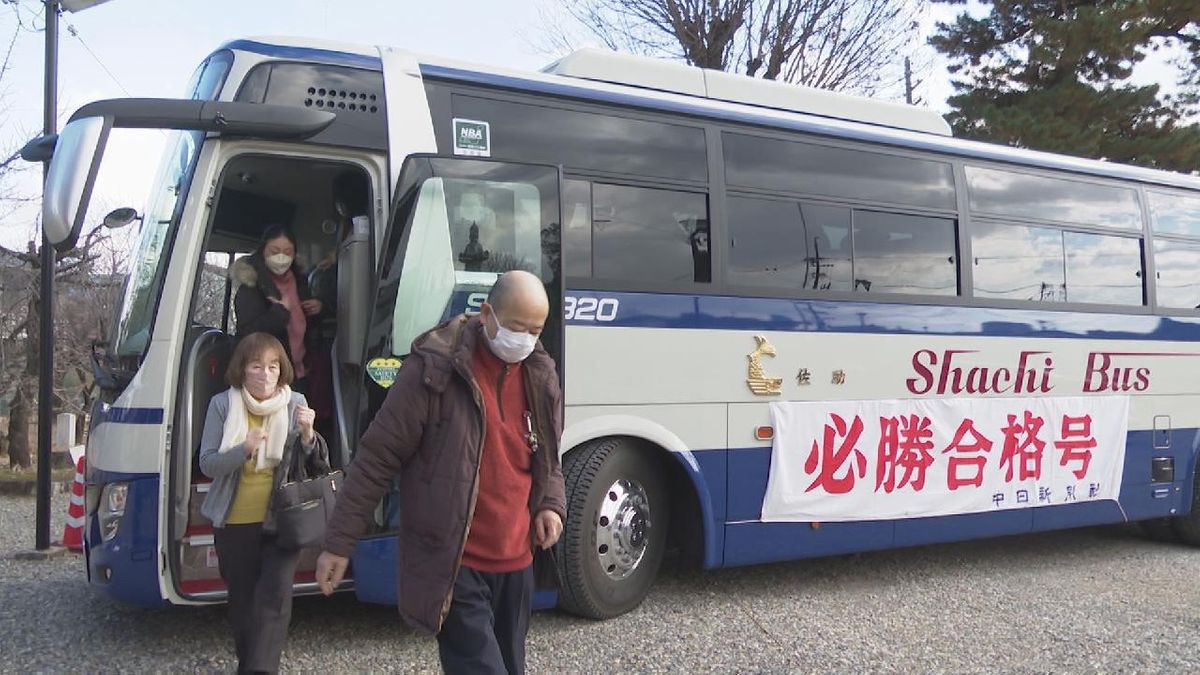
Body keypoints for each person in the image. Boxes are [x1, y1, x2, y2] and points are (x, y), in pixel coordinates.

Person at [316, 270, 566, 675]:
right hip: (455, 563)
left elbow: (548, 457)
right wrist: (339, 542)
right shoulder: (434, 371)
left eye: (535, 330)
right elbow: (377, 458)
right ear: (487, 314)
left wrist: (550, 506)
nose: (525, 340)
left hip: (516, 564)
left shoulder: (540, 374)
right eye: (517, 327)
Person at [198, 332, 329, 674]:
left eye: (273, 366)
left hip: (282, 519)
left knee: (274, 599)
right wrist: (242, 450)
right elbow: (208, 463)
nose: (266, 374)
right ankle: (251, 665)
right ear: (242, 370)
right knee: (243, 603)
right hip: (235, 521)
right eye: (257, 366)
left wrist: (308, 435)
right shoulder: (223, 405)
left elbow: (316, 464)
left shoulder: (294, 401)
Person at [231, 226, 322, 391]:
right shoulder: (252, 285)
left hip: (300, 372)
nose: (281, 257)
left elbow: (304, 325)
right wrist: (279, 313)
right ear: (262, 251)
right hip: (267, 378)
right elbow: (248, 333)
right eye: (275, 251)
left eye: (288, 252)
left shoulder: (300, 281)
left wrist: (317, 309)